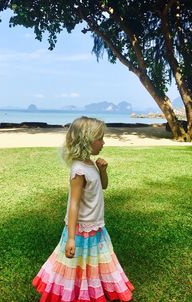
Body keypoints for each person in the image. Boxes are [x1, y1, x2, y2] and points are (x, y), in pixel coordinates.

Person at [32, 116, 134, 301]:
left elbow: (103, 186)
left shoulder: (90, 164)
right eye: (100, 138)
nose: (104, 142)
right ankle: (74, 293)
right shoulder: (79, 170)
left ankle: (90, 289)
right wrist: (71, 238)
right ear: (87, 141)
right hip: (80, 230)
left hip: (96, 226)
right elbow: (74, 203)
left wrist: (102, 171)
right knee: (76, 264)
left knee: (93, 263)